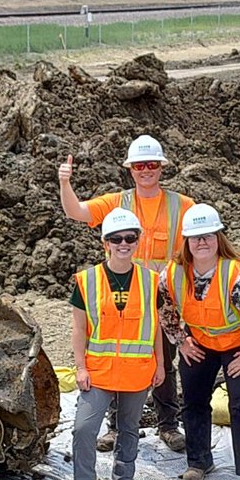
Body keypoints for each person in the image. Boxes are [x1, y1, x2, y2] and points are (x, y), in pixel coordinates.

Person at [58, 134, 193, 455]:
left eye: (151, 165)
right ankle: (116, 428)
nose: (146, 170)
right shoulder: (117, 202)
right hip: (122, 298)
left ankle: (168, 425)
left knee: (164, 364)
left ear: (161, 167)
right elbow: (76, 212)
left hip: (162, 299)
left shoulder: (182, 206)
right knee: (121, 358)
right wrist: (65, 184)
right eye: (139, 166)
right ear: (130, 170)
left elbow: (203, 243)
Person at [160, 204, 240, 480]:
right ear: (186, 241)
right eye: (195, 237)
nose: (202, 242)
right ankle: (198, 462)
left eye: (208, 236)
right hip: (202, 342)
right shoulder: (172, 274)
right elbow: (165, 310)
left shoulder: (238, 276)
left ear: (218, 237)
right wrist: (181, 341)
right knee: (194, 398)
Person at [64, 207, 165, 480]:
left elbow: (156, 326)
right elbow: (79, 328)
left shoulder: (150, 281)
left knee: (129, 429)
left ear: (138, 241)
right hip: (98, 372)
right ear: (105, 242)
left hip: (136, 372)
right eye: (116, 239)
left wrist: (160, 364)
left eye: (130, 238)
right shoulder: (87, 281)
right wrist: (80, 367)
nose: (124, 244)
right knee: (84, 429)